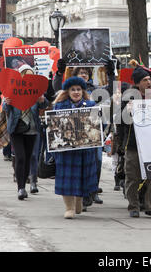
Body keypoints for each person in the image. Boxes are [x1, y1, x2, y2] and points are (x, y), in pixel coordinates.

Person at [53, 58, 116, 208]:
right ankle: (72, 202)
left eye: (86, 73)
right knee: (70, 172)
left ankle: (90, 192)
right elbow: (56, 89)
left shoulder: (94, 92)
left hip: (88, 141)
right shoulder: (63, 99)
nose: (83, 75)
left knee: (95, 163)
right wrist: (59, 73)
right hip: (68, 144)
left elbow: (111, 91)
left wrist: (112, 74)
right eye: (80, 72)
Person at [118, 66, 151, 218]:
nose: (149, 82)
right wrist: (127, 111)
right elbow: (120, 121)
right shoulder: (128, 98)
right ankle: (134, 206)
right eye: (145, 80)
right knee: (132, 177)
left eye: (150, 79)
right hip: (133, 145)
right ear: (137, 83)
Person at [52, 76, 98, 219]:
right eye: (73, 90)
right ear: (68, 91)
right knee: (67, 179)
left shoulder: (91, 105)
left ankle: (79, 199)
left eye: (78, 89)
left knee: (82, 176)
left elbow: (97, 125)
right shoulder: (59, 106)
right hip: (66, 149)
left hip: (85, 148)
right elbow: (53, 126)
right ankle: (69, 207)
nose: (76, 92)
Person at [3, 65, 49, 200]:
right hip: (17, 129)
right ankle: (21, 188)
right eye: (25, 74)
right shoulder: (13, 89)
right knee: (20, 157)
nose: (28, 77)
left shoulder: (36, 90)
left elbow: (44, 104)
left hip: (32, 129)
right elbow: (6, 108)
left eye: (30, 74)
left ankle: (28, 182)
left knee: (29, 158)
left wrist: (42, 100)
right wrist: (7, 102)